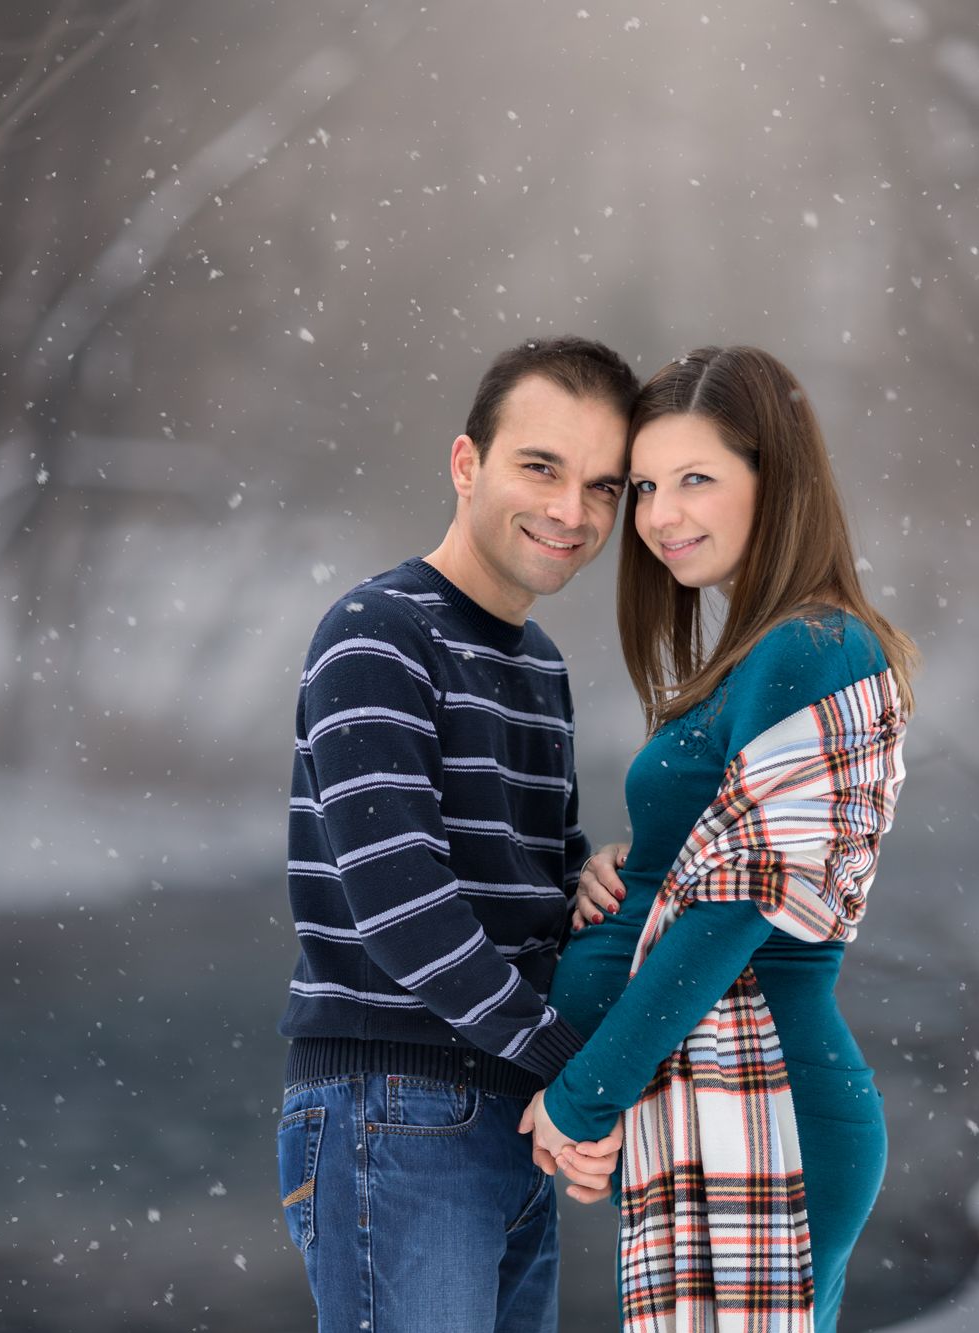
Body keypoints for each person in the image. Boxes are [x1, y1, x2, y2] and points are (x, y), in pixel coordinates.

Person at [523, 346, 918, 1332]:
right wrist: (627, 867)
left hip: (764, 1109)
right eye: (647, 486)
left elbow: (737, 910)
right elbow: (721, 863)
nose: (660, 515)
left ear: (772, 481)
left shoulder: (810, 647)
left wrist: (584, 1097)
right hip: (718, 1112)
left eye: (694, 478)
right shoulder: (756, 652)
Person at [275, 335, 640, 1332]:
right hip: (396, 1112)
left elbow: (524, 878)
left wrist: (592, 875)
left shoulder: (541, 669)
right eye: (539, 467)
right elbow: (402, 907)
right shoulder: (375, 638)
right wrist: (570, 1066)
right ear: (465, 463)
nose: (571, 511)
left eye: (600, 485)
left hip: (507, 1108)